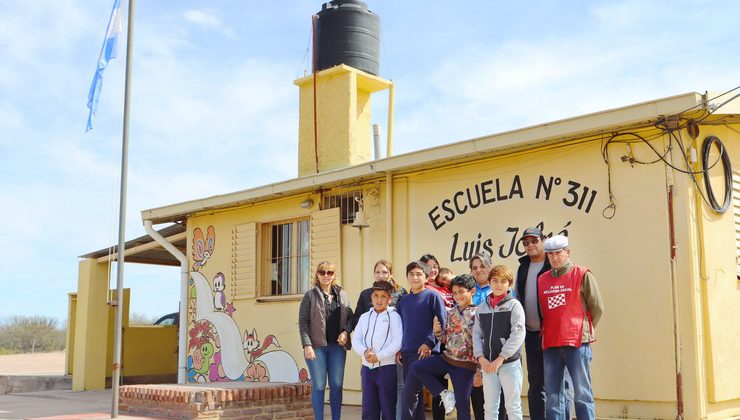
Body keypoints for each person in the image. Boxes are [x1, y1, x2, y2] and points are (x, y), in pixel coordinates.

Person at [538, 235, 603, 420]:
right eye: (550, 254)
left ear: (568, 252)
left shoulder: (582, 274)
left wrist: (584, 329)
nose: (554, 257)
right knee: (553, 395)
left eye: (558, 253)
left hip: (577, 343)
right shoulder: (542, 279)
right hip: (551, 342)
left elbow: (597, 307)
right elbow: (544, 312)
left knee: (582, 393)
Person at [515, 227, 572, 420]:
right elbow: (517, 296)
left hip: (553, 334)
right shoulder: (523, 267)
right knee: (536, 383)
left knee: (560, 383)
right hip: (531, 335)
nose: (530, 245)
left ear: (543, 240)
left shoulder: (554, 264)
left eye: (534, 240)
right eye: (526, 242)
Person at [403, 274, 478, 419]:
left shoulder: (478, 314)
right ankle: (445, 394)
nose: (457, 296)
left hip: (466, 365)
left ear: (472, 291)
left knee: (462, 406)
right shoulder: (452, 312)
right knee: (416, 367)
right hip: (447, 359)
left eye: (461, 292)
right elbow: (446, 340)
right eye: (454, 293)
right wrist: (438, 333)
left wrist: (479, 371)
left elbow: (481, 344)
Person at [350, 259, 408, 419]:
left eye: (383, 296)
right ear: (371, 297)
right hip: (367, 367)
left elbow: (397, 341)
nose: (379, 299)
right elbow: (357, 339)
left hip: (387, 368)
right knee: (369, 408)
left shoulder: (394, 316)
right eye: (376, 296)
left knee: (388, 406)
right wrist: (364, 352)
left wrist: (379, 356)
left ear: (390, 299)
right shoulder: (364, 316)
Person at [298, 261, 353, 420]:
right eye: (323, 272)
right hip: (317, 347)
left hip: (337, 347)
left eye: (330, 272)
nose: (326, 275)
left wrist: (346, 332)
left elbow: (350, 317)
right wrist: (307, 344)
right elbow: (303, 322)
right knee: (320, 385)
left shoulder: (342, 295)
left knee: (336, 385)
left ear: (334, 275)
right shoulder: (310, 295)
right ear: (317, 274)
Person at [396, 260, 448, 420]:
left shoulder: (433, 296)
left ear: (426, 277)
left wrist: (429, 343)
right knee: (412, 394)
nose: (415, 277)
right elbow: (400, 327)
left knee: (410, 394)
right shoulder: (403, 301)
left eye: (419, 274)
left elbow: (442, 323)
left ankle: (446, 394)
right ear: (407, 277)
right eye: (411, 274)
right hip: (408, 352)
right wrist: (399, 348)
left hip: (428, 352)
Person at [473, 265, 525, 420]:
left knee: (513, 406)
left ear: (509, 284)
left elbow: (518, 334)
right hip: (488, 365)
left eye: (503, 281)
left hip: (509, 364)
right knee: (489, 407)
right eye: (495, 280)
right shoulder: (482, 308)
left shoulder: (514, 305)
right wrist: (481, 358)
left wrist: (501, 358)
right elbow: (476, 334)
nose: (498, 284)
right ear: (489, 282)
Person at [469, 252, 505, 420]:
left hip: (498, 351)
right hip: (476, 351)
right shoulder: (468, 291)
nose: (478, 270)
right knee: (478, 397)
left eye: (482, 266)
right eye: (474, 267)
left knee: (501, 398)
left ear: (490, 268)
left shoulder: (499, 288)